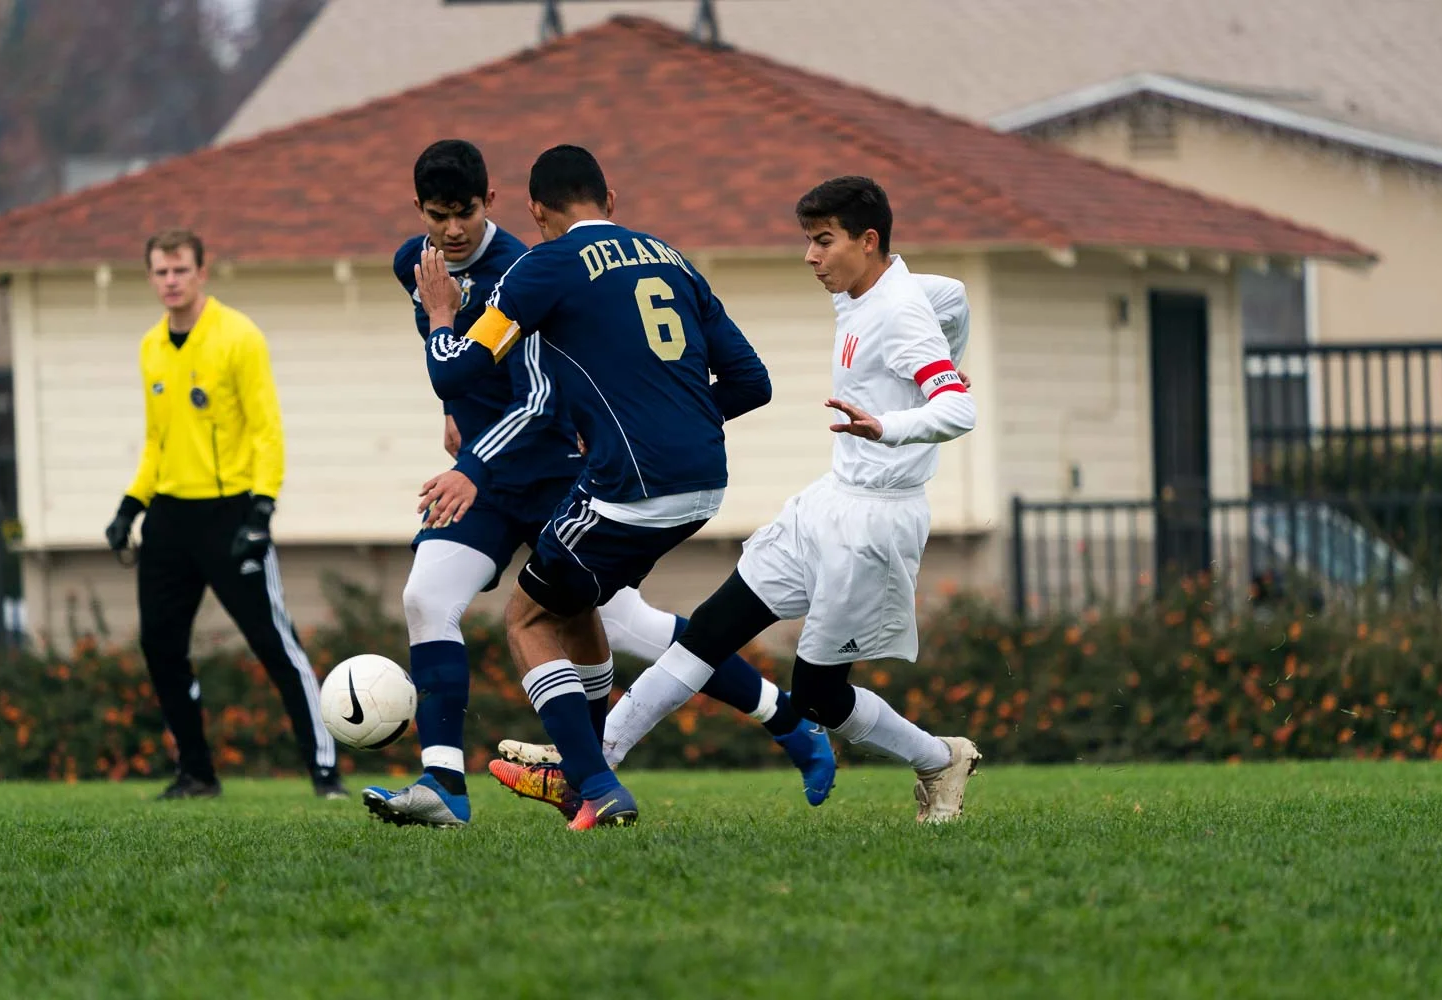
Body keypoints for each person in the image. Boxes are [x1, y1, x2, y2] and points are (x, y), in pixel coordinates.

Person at [361, 140, 832, 830]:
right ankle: (444, 785)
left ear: (505, 205)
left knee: (613, 623)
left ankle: (774, 724)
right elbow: (461, 375)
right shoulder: (418, 262)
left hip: (547, 470)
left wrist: (472, 461)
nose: (453, 228)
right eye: (439, 216)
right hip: (493, 481)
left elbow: (535, 398)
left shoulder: (528, 268)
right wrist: (453, 416)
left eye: (465, 212)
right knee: (426, 599)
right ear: (419, 211)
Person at [590, 176, 984, 824]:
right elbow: (956, 296)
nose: (810, 256)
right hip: (828, 502)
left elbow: (959, 408)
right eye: (808, 240)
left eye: (823, 241)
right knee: (712, 629)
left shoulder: (899, 314)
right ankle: (591, 762)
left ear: (868, 240)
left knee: (819, 697)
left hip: (876, 522)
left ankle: (939, 758)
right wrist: (949, 353)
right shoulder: (885, 291)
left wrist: (890, 424)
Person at [103, 229, 343, 801]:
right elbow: (158, 441)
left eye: (180, 270)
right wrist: (130, 505)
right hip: (169, 519)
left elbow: (266, 430)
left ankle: (325, 773)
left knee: (274, 644)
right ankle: (196, 773)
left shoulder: (239, 336)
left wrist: (262, 508)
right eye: (161, 272)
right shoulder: (151, 347)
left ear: (201, 272)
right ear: (151, 277)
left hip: (232, 515)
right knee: (160, 646)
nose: (171, 281)